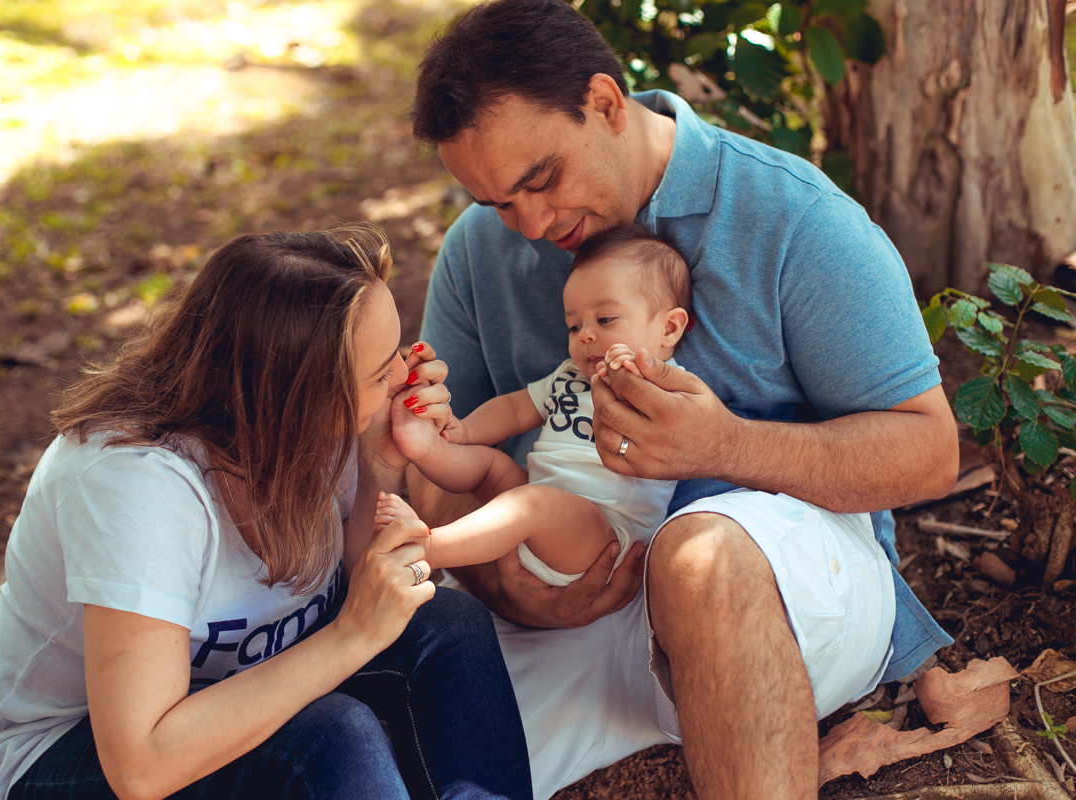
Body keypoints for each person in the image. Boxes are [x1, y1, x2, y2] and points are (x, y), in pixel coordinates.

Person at [408, 1, 960, 799]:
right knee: (403, 734)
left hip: (773, 583)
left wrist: (726, 448)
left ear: (605, 103)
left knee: (700, 555)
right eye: (497, 201)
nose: (527, 224)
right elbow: (441, 456)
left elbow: (930, 452)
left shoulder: (798, 220)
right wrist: (500, 581)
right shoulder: (477, 250)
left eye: (541, 180)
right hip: (574, 586)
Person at [0, 228, 533, 800]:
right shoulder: (134, 484)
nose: (405, 383)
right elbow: (141, 766)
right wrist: (352, 639)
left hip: (239, 675)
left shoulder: (310, 425)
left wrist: (381, 463)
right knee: (329, 737)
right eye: (382, 374)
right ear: (300, 392)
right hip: (69, 754)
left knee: (448, 627)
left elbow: (343, 593)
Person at [376, 225, 696, 587]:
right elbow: (515, 410)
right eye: (574, 326)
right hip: (536, 510)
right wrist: (464, 431)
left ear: (669, 329)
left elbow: (692, 441)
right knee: (491, 467)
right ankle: (427, 450)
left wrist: (632, 379)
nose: (586, 335)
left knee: (532, 504)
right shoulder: (570, 374)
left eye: (605, 320)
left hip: (603, 537)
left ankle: (427, 546)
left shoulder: (671, 387)